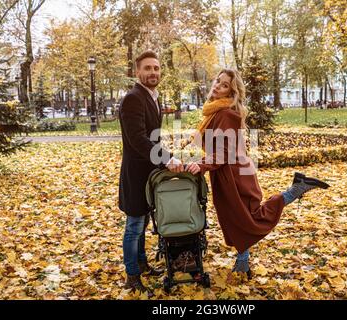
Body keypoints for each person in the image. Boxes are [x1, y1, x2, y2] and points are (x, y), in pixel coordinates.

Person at [174, 69, 330, 278]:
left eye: (224, 85)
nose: (217, 86)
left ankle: (296, 189)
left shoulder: (226, 113)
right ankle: (243, 262)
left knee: (249, 218)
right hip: (226, 173)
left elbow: (224, 152)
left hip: (235, 175)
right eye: (217, 81)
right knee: (235, 218)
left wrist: (201, 165)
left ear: (232, 91)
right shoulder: (215, 111)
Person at [118, 50, 183, 295]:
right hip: (136, 175)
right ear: (137, 72)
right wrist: (167, 159)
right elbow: (138, 139)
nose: (153, 72)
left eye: (156, 68)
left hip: (149, 173)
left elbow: (152, 138)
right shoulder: (133, 98)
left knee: (144, 220)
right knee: (134, 225)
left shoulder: (153, 97)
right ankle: (132, 274)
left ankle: (142, 263)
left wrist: (167, 155)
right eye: (147, 68)